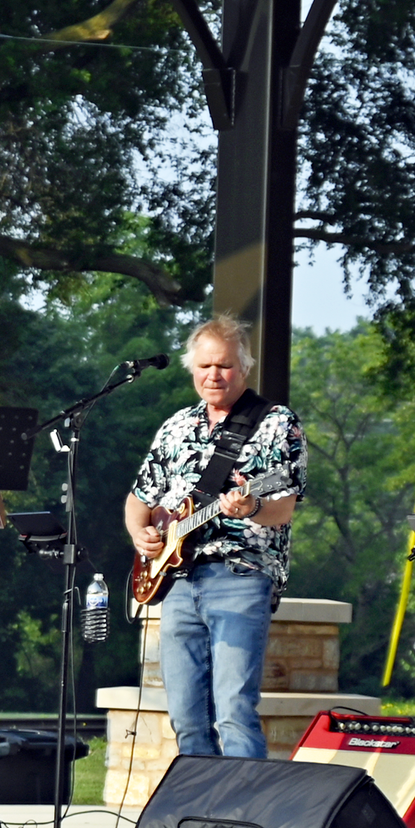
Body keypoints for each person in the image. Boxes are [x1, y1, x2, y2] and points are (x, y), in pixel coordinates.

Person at [124, 317, 306, 761]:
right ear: (192, 368)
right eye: (204, 365)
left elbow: (283, 506)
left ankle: (244, 823)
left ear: (244, 368)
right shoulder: (176, 426)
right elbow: (138, 499)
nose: (213, 375)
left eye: (224, 366)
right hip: (179, 581)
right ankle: (200, 821)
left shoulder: (276, 423)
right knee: (186, 716)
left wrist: (253, 507)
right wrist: (141, 535)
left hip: (241, 575)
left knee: (234, 710)